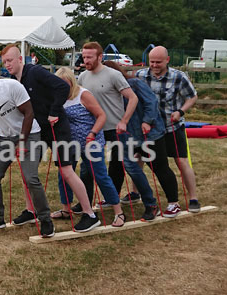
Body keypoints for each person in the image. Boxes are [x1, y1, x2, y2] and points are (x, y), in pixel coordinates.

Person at [1, 44, 100, 232]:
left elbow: (62, 87)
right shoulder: (13, 81)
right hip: (36, 131)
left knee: (66, 171)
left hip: (56, 127)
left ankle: (89, 214)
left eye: (10, 60)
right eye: (5, 61)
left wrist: (54, 111)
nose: (7, 64)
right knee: (27, 172)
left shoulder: (35, 72)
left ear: (21, 59)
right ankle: (31, 211)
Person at [0, 62, 54, 237]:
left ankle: (45, 219)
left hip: (30, 134)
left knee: (30, 178)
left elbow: (29, 113)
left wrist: (22, 142)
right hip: (6, 138)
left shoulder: (11, 86)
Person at [105, 61, 181, 220]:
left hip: (150, 134)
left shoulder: (134, 84)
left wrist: (147, 121)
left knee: (159, 167)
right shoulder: (108, 91)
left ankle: (173, 203)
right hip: (125, 136)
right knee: (116, 166)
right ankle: (112, 197)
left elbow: (151, 103)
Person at [52, 67, 126, 226]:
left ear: (72, 82)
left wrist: (92, 133)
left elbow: (102, 116)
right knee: (64, 175)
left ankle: (118, 211)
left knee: (100, 176)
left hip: (90, 141)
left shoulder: (83, 95)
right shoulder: (57, 97)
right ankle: (66, 208)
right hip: (68, 143)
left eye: (66, 85)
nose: (63, 88)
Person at [136, 46, 201, 213]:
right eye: (152, 62)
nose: (155, 65)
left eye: (158, 62)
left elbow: (192, 96)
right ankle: (134, 193)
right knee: (139, 159)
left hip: (173, 127)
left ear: (167, 60)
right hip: (150, 130)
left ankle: (193, 198)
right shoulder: (140, 75)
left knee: (181, 161)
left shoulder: (178, 77)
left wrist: (181, 111)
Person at [76, 42, 138, 211]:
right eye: (84, 56)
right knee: (87, 169)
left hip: (115, 128)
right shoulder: (82, 77)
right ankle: (84, 203)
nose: (86, 60)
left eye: (89, 57)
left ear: (100, 57)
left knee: (118, 165)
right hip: (94, 129)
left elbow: (132, 98)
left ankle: (114, 199)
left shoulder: (113, 75)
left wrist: (124, 121)